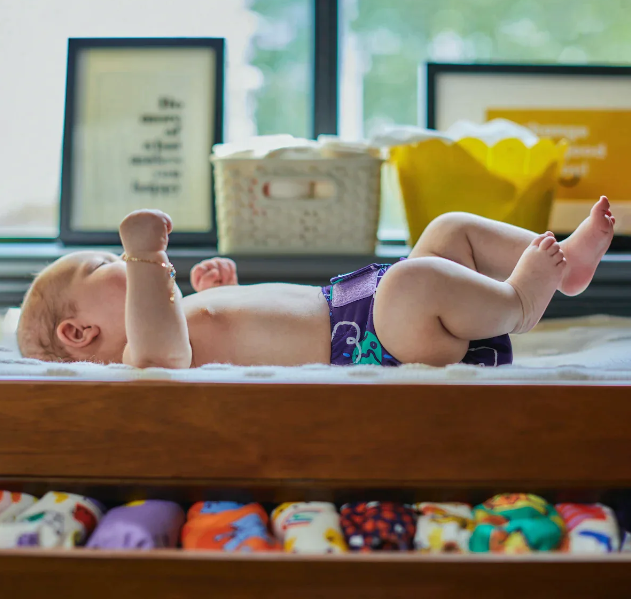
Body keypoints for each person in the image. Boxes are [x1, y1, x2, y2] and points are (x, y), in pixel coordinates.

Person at [16, 197, 615, 369]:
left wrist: (220, 288)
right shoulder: (143, 357)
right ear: (79, 332)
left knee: (449, 227)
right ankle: (520, 299)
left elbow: (240, 324)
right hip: (371, 343)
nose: (123, 264)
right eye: (106, 266)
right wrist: (146, 257)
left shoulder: (171, 316)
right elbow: (162, 351)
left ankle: (565, 266)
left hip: (357, 299)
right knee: (415, 281)